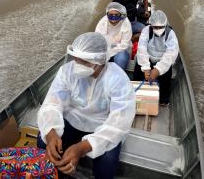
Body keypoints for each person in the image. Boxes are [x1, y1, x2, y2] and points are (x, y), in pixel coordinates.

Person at [37, 32, 136, 179]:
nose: (78, 65)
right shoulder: (67, 71)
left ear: (100, 60)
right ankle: (57, 172)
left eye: (85, 62)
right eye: (77, 60)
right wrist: (51, 134)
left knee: (107, 165)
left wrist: (82, 148)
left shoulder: (117, 79)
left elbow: (118, 124)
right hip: (73, 119)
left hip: (102, 126)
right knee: (43, 141)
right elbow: (52, 103)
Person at [133, 10, 179, 107]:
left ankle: (163, 99)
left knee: (166, 77)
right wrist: (146, 68)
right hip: (148, 57)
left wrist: (158, 70)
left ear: (165, 25)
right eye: (155, 27)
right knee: (138, 72)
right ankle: (134, 94)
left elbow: (170, 54)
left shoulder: (170, 34)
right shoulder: (146, 30)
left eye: (161, 27)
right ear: (151, 25)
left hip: (162, 59)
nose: (158, 29)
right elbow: (142, 49)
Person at [95, 2, 132, 70]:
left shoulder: (126, 23)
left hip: (121, 49)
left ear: (121, 14)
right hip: (105, 48)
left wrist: (111, 50)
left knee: (121, 58)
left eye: (116, 15)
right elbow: (98, 40)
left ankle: (118, 76)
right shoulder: (102, 23)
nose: (113, 17)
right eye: (111, 14)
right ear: (107, 14)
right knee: (96, 59)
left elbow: (124, 45)